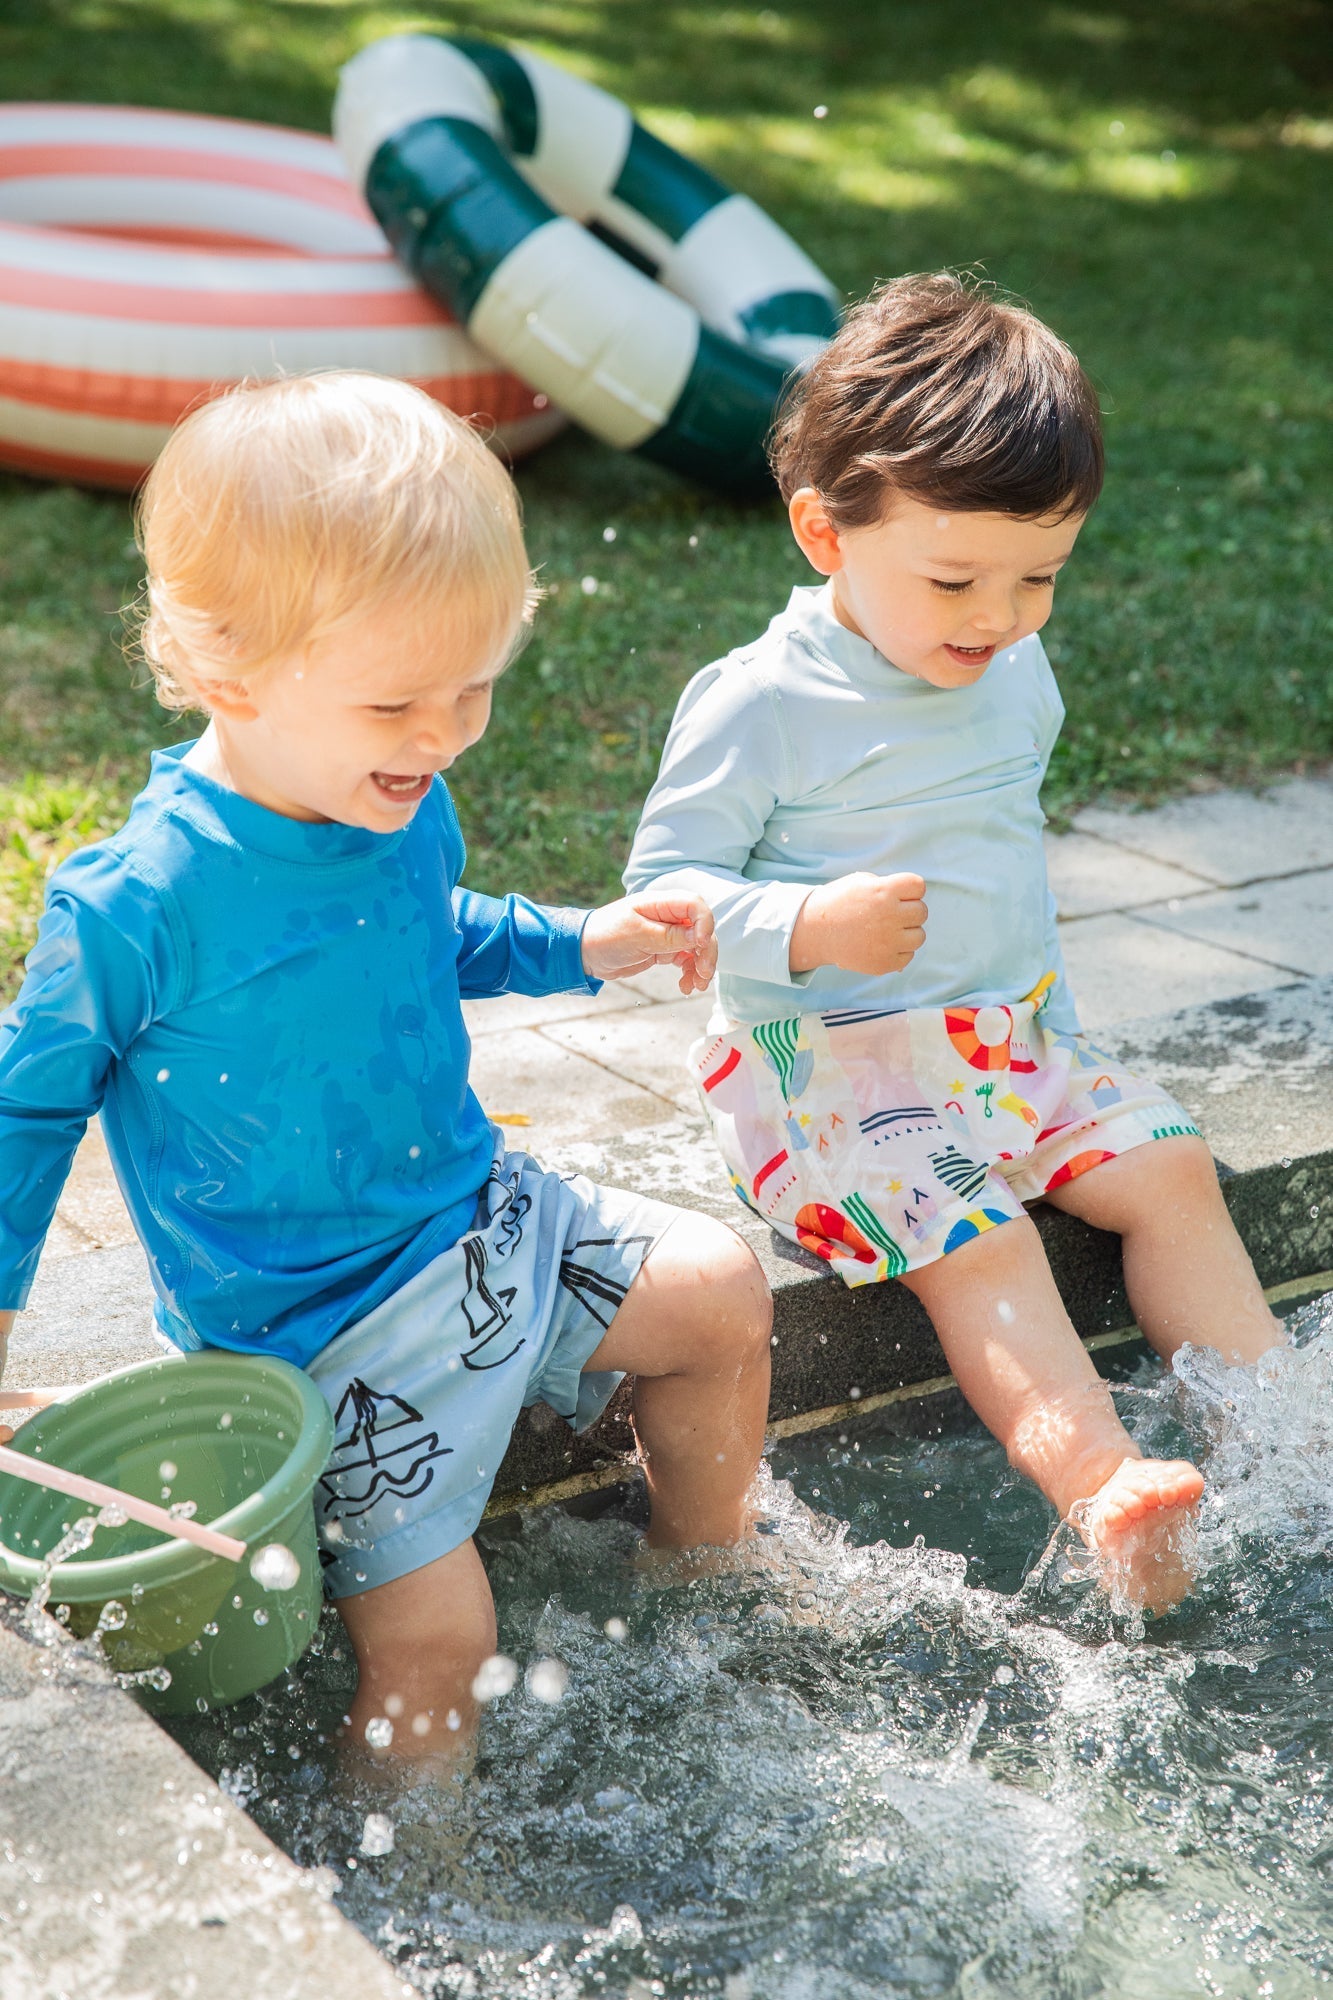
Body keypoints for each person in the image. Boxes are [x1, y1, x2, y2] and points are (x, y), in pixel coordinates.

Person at [0, 372, 771, 1762]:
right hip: (318, 1327)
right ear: (229, 674)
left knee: (718, 1294)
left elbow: (431, 931)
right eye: (400, 702)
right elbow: (23, 1116)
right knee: (439, 1639)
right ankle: (430, 1890)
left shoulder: (393, 788)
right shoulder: (135, 907)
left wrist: (576, 943)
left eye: (474, 687)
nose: (444, 735)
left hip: (481, 1225)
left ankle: (701, 1589)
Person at [625, 273, 1282, 1609]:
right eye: (956, 579)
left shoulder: (1003, 667)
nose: (998, 617)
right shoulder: (758, 706)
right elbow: (659, 904)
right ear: (823, 533)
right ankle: (1101, 1485)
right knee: (973, 1237)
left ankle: (1279, 1438)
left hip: (1009, 1040)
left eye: (1039, 574)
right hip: (826, 1072)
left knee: (1167, 1168)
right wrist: (805, 923)